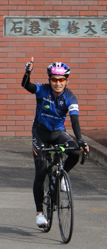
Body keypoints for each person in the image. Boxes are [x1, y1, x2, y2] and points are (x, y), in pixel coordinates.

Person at [22, 59, 89, 229]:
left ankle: (61, 176)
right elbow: (26, 85)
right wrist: (27, 73)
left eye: (61, 80)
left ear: (66, 80)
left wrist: (80, 140)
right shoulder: (42, 90)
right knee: (41, 172)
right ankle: (39, 213)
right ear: (49, 79)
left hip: (58, 133)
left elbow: (74, 121)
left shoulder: (70, 97)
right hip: (40, 133)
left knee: (74, 151)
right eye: (54, 79)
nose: (58, 83)